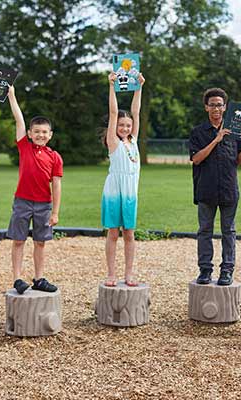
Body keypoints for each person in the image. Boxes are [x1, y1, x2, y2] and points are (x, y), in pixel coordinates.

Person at [189, 88, 241, 286]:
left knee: (229, 231)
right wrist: (216, 140)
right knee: (205, 231)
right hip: (206, 188)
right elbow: (196, 159)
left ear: (225, 107)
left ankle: (227, 271)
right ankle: (205, 270)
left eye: (220, 105)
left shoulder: (235, 130)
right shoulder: (198, 132)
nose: (216, 108)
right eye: (212, 104)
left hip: (228, 188)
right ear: (206, 107)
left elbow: (237, 161)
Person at [6, 85, 63, 294]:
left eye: (44, 132)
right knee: (19, 240)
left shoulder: (55, 156)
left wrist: (55, 211)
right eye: (36, 131)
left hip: (43, 205)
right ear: (29, 134)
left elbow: (56, 184)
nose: (40, 134)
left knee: (40, 243)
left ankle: (39, 278)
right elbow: (19, 119)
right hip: (22, 201)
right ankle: (17, 279)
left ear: (50, 134)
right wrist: (12, 95)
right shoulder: (25, 147)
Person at [101, 71, 145, 287]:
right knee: (113, 233)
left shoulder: (133, 140)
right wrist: (111, 85)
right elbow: (113, 111)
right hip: (114, 191)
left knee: (129, 234)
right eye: (121, 125)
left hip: (130, 192)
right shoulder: (113, 142)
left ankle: (129, 274)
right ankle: (111, 273)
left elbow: (136, 112)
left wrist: (139, 87)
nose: (125, 128)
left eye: (127, 126)